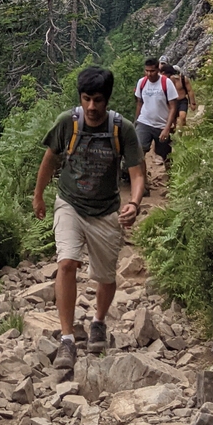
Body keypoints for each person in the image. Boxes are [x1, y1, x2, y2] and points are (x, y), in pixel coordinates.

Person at [33, 66, 146, 371]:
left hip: (106, 210)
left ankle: (98, 322)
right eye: (86, 99)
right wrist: (39, 195)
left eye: (97, 100)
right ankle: (67, 339)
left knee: (106, 276)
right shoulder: (66, 124)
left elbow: (137, 173)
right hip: (69, 203)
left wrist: (134, 203)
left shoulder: (122, 129)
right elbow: (50, 158)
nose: (92, 107)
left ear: (107, 99)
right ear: (80, 99)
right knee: (67, 263)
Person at [134, 56, 178, 175]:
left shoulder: (166, 83)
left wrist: (167, 128)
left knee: (166, 155)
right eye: (147, 70)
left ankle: (172, 182)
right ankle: (143, 182)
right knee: (139, 152)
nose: (149, 73)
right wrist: (136, 121)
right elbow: (139, 103)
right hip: (144, 122)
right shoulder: (141, 82)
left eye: (152, 71)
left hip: (161, 125)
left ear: (158, 70)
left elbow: (173, 106)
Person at [160, 54, 196, 131]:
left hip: (182, 100)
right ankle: (173, 137)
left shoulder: (183, 79)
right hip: (172, 102)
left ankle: (181, 134)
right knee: (173, 122)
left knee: (182, 116)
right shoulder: (167, 81)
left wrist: (192, 103)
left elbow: (189, 91)